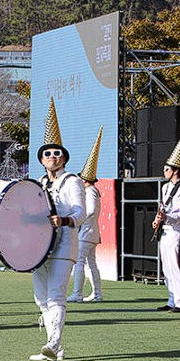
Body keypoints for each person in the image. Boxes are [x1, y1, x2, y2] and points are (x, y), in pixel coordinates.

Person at [30, 98, 85, 361]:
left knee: (55, 295)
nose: (53, 157)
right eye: (48, 153)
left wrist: (62, 220)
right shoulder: (38, 182)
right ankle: (56, 348)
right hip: (40, 246)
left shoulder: (72, 180)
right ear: (41, 160)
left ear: (63, 158)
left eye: (57, 153)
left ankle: (53, 342)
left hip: (63, 244)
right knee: (40, 298)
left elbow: (81, 213)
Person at [152, 112, 180, 314]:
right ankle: (171, 299)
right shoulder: (165, 188)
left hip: (177, 231)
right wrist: (157, 219)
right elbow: (162, 207)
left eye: (167, 169)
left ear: (175, 170)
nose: (164, 171)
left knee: (175, 265)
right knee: (166, 266)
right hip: (166, 230)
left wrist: (168, 217)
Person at [68, 127, 104, 303]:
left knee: (80, 262)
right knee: (91, 263)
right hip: (92, 232)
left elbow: (89, 211)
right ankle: (97, 293)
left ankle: (77, 293)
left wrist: (78, 221)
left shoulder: (90, 192)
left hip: (86, 232)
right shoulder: (94, 191)